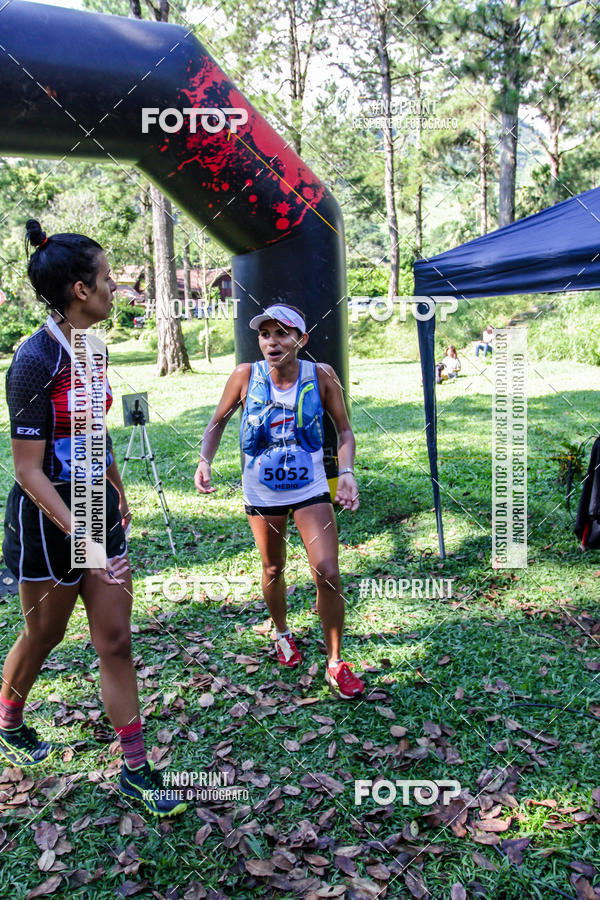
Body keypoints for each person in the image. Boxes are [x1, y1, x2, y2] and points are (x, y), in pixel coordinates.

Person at [0, 220, 186, 817]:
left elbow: (90, 426)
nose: (116, 287)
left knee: (115, 638)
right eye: (108, 278)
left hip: (95, 506)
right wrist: (80, 532)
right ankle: (9, 718)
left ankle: (135, 769)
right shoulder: (34, 359)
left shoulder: (93, 348)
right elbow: (28, 470)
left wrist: (114, 483)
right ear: (80, 290)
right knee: (45, 633)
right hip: (46, 518)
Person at [194, 303, 365, 699]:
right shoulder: (244, 375)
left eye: (282, 333)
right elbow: (217, 422)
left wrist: (349, 473)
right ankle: (282, 633)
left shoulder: (321, 375)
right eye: (265, 334)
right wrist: (205, 461)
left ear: (300, 340)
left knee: (327, 571)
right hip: (262, 491)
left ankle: (336, 661)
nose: (272, 341)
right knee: (272, 566)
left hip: (310, 489)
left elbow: (344, 431)